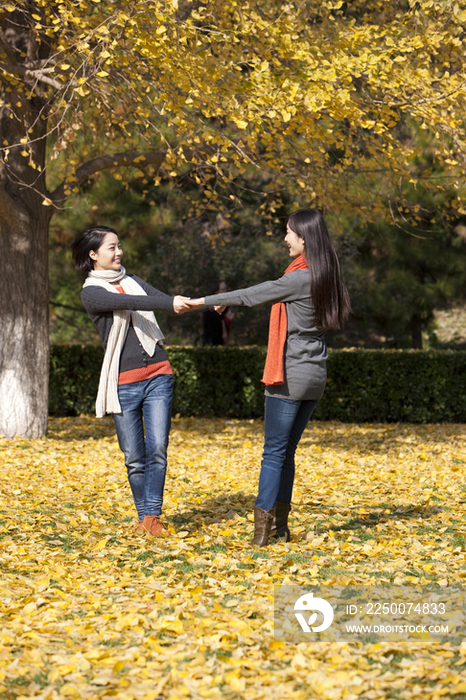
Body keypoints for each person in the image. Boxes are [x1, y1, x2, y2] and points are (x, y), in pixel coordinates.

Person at [187, 210, 351, 546]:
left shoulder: (299, 278)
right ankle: (280, 529)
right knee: (286, 453)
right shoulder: (327, 275)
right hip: (315, 374)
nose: (285, 238)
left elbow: (253, 294)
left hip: (289, 374)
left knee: (273, 452)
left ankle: (262, 534)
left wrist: (205, 301)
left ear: (304, 238)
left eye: (289, 233)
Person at [71, 226, 191, 537]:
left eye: (119, 245)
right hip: (123, 383)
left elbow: (161, 298)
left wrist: (205, 302)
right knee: (134, 456)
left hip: (158, 375)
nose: (119, 252)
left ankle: (152, 518)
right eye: (111, 248)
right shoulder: (91, 292)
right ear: (93, 255)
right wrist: (170, 303)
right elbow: (140, 304)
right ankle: (144, 517)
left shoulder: (132, 281)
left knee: (158, 448)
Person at [202, 281, 231, 346]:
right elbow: (216, 330)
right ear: (216, 292)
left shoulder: (224, 307)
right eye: (223, 289)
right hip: (212, 344)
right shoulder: (211, 308)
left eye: (226, 289)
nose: (226, 292)